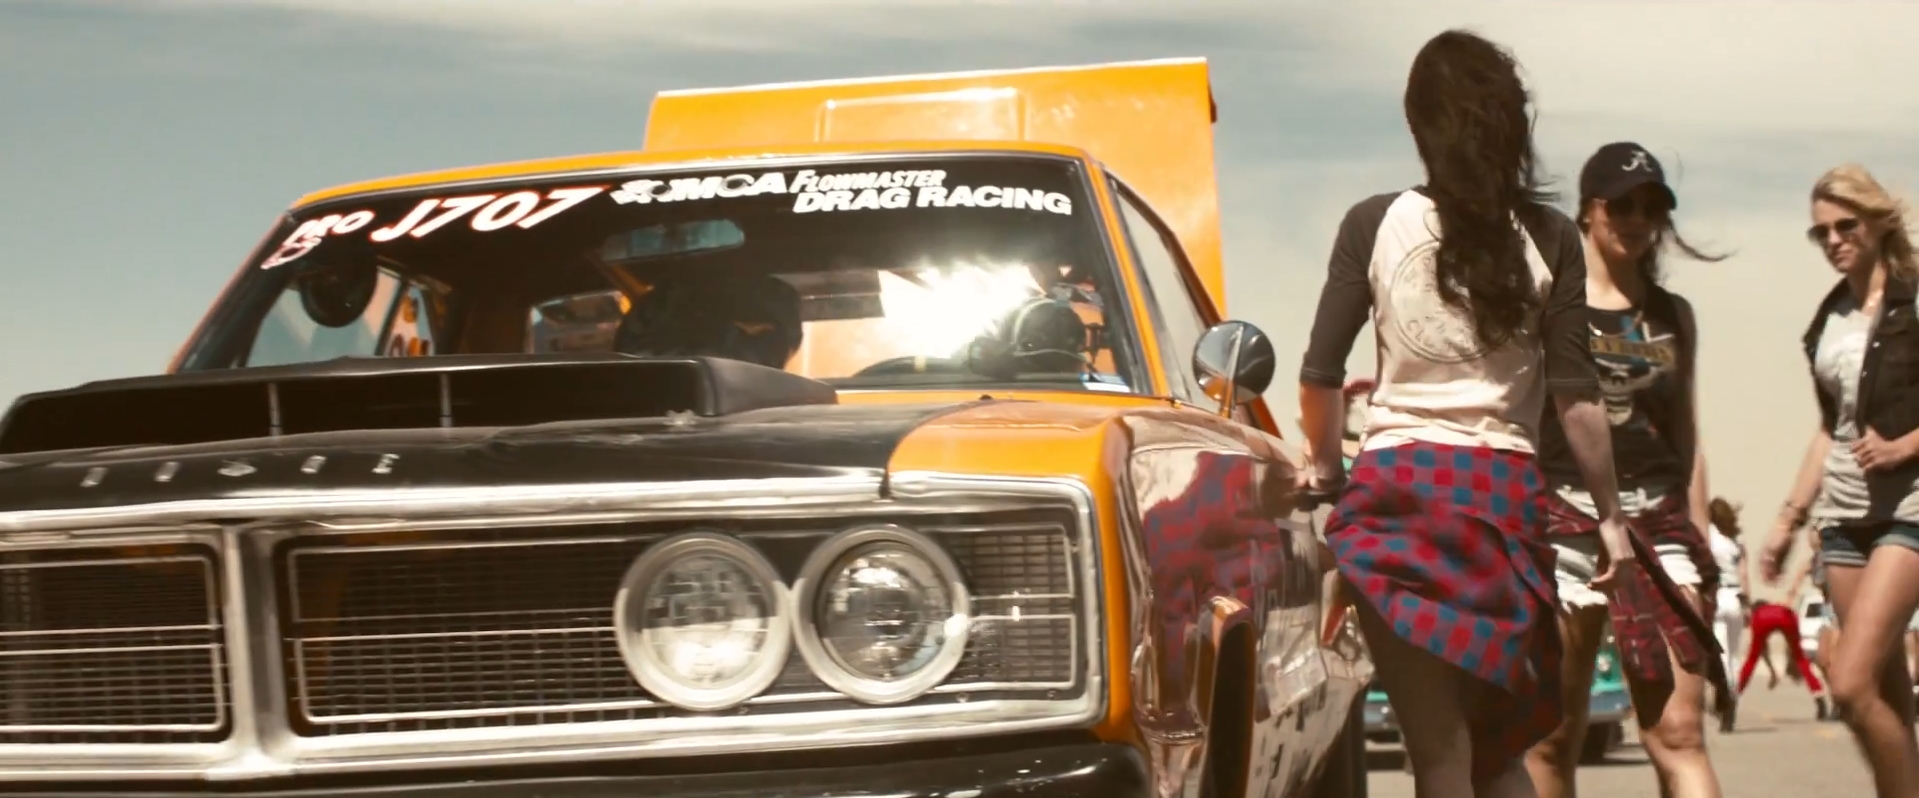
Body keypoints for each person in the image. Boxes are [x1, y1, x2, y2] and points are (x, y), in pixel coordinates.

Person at [1297, 29, 1630, 798]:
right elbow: (1575, 395)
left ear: (1417, 125)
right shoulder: (1550, 235)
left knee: (1438, 754)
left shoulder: (1372, 223)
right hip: (1500, 503)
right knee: (1496, 754)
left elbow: (1319, 376)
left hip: (1394, 498)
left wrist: (1324, 468)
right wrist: (1609, 516)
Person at [1522, 142, 1731, 798]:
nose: (1637, 219)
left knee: (1679, 733)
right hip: (1563, 516)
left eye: (1651, 207)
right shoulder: (1547, 304)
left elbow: (1686, 435)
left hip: (1658, 521)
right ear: (1588, 210)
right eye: (1622, 204)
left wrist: (1698, 540)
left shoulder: (1673, 316)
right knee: (1552, 736)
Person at [1761, 163, 1919, 798]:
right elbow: (1830, 429)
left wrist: (1906, 444)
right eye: (1820, 232)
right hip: (1845, 516)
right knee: (1885, 691)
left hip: (1909, 508)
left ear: (1878, 222)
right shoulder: (1830, 318)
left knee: (1849, 684)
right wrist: (1787, 520)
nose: (1833, 240)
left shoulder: (1913, 298)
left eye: (1845, 226)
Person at [1707, 498, 1750, 732]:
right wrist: (1748, 604)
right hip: (1735, 597)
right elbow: (1743, 574)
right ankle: (1731, 697)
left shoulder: (1708, 536)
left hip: (1717, 596)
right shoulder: (1736, 538)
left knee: (1720, 653)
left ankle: (1724, 698)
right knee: (1734, 656)